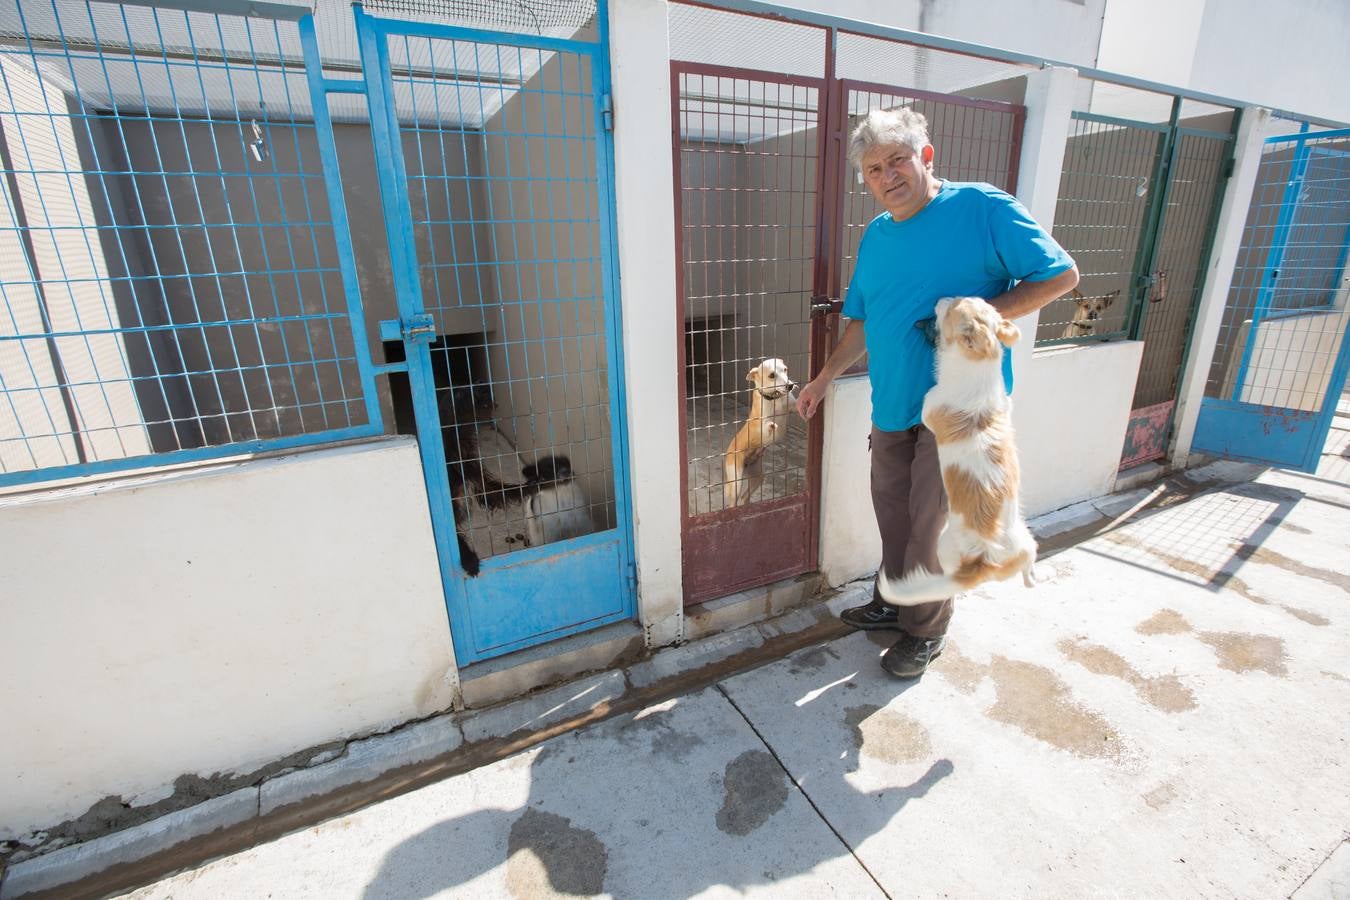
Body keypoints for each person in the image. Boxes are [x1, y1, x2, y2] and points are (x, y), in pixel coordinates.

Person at [796, 107, 1078, 678]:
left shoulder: (981, 208)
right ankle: (892, 602)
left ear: (926, 156)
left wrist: (971, 314)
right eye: (874, 168)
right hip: (894, 406)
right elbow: (862, 322)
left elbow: (1061, 275)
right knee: (894, 519)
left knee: (927, 527)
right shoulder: (877, 236)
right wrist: (825, 379)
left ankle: (925, 632)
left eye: (898, 160)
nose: (887, 175)